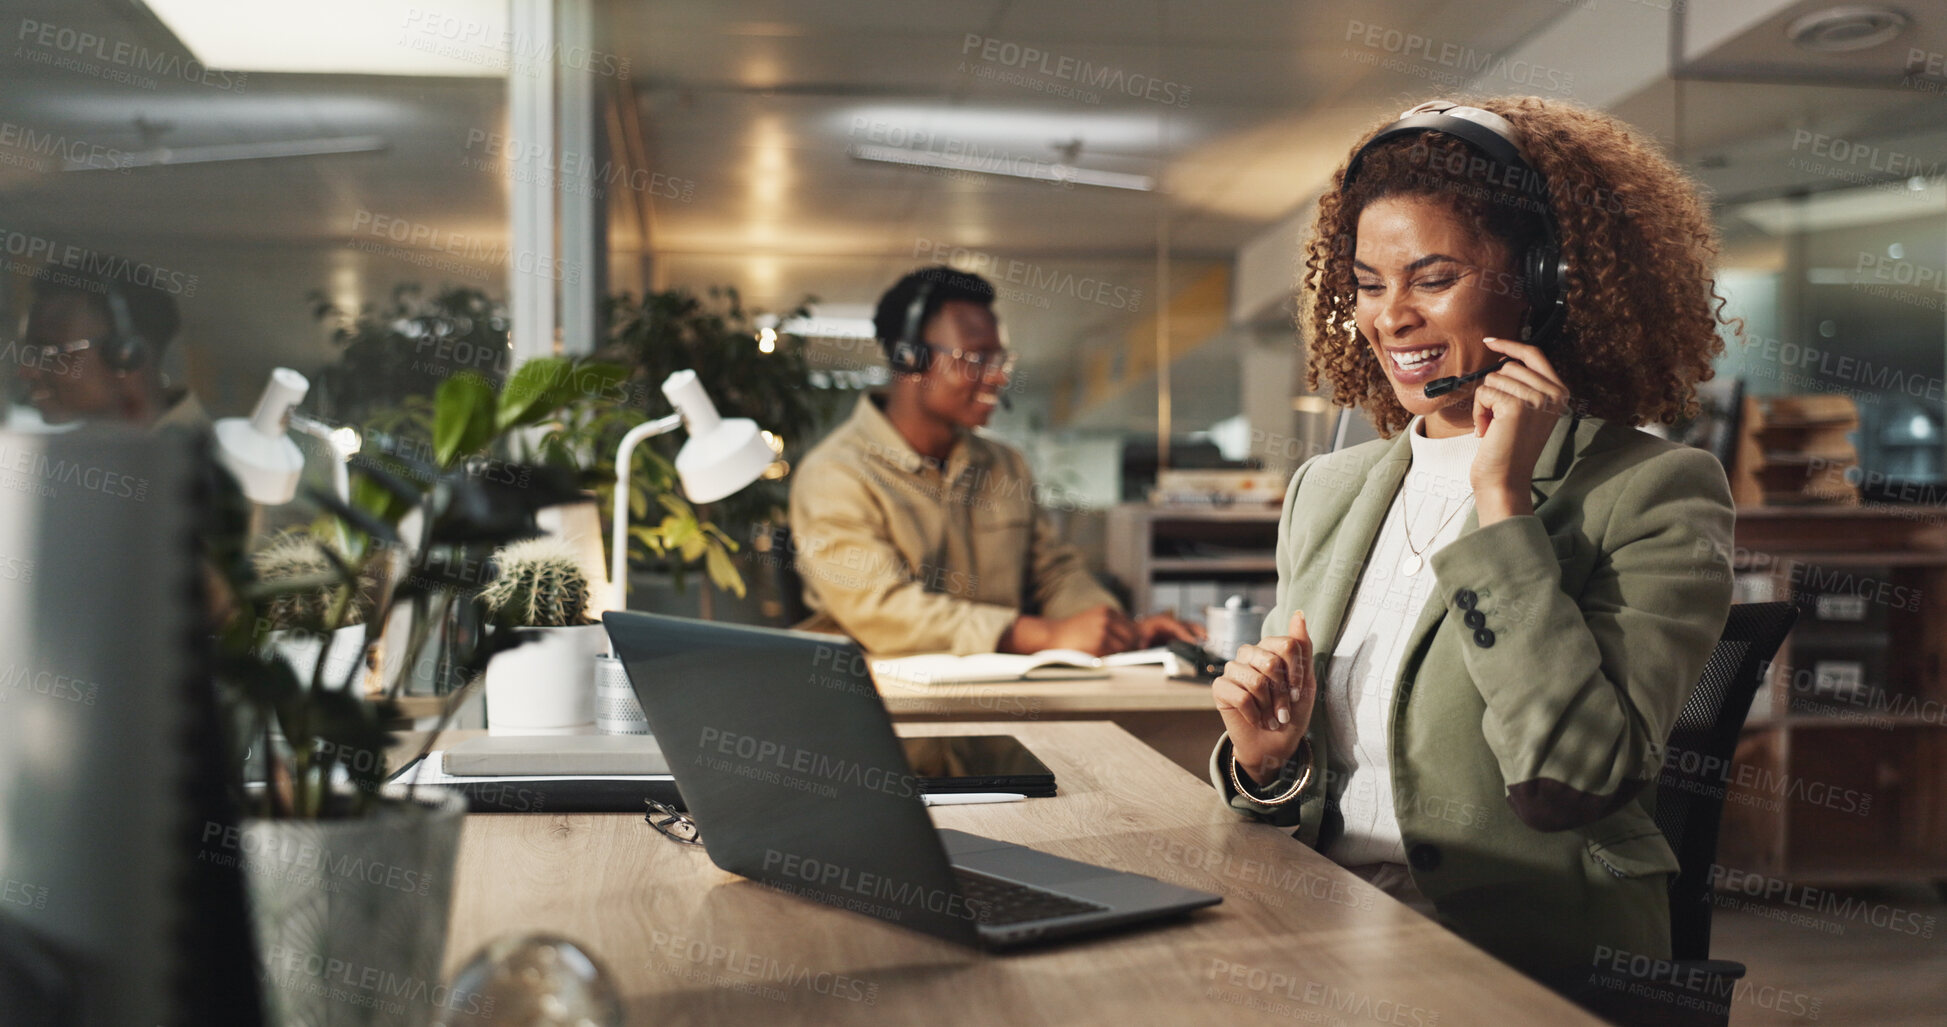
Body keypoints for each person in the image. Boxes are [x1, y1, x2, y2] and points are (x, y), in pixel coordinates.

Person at [1207, 97, 1736, 1005]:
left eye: (1432, 277)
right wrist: (1266, 764)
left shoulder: (1652, 491)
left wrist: (1500, 500)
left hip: (1521, 963)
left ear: (1544, 280)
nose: (1390, 318)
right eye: (1369, 284)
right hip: (1320, 931)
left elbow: (1570, 781)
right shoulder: (1326, 494)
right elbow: (1306, 794)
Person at [790, 265, 1201, 656]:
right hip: (891, 712)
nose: (998, 376)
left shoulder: (1005, 465)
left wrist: (1114, 628)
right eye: (976, 358)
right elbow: (883, 609)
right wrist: (1043, 634)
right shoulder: (836, 474)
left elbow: (1054, 574)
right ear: (909, 358)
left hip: (1001, 704)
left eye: (1000, 359)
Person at [10, 267, 204, 431]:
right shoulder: (93, 456)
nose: (27, 372)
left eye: (50, 353)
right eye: (30, 354)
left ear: (126, 355)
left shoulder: (204, 469)